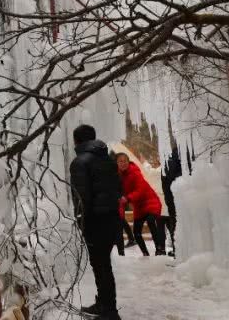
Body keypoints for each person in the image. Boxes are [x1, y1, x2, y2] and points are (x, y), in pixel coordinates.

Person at [70, 124, 123, 319]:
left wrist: (81, 223)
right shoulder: (108, 160)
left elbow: (81, 199)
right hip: (111, 220)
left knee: (100, 266)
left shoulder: (80, 162)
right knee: (104, 266)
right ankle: (105, 304)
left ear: (77, 140)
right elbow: (118, 189)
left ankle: (108, 310)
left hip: (95, 222)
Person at [115, 153, 166, 256]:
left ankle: (159, 249)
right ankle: (145, 253)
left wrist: (128, 198)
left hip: (150, 201)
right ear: (117, 163)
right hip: (138, 206)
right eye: (120, 161)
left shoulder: (135, 172)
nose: (123, 163)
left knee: (151, 222)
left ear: (128, 161)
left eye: (125, 161)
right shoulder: (118, 175)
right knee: (136, 232)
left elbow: (140, 190)